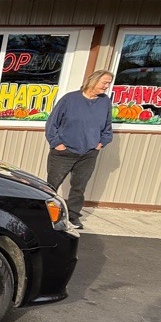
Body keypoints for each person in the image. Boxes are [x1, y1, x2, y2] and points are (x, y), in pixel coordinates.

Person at [45, 69, 114, 229]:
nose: (107, 86)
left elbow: (107, 127)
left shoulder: (105, 102)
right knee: (52, 186)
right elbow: (52, 124)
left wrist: (100, 143)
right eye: (104, 82)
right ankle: (47, 215)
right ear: (93, 80)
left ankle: (73, 216)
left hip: (88, 153)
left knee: (79, 187)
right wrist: (57, 144)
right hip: (63, 152)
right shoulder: (70, 99)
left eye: (109, 83)